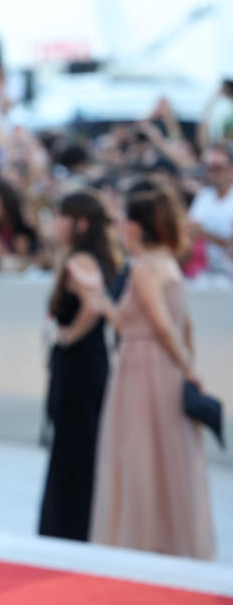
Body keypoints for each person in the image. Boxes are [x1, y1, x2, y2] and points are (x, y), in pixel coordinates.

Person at [75, 184, 216, 560]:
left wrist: (100, 301)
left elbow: (160, 325)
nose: (119, 226)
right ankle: (164, 536)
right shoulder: (168, 261)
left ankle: (143, 538)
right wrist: (187, 365)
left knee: (138, 454)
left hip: (144, 368)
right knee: (162, 456)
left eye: (123, 220)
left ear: (136, 227)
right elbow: (181, 326)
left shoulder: (142, 269)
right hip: (160, 366)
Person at [38, 190, 119, 541]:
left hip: (79, 368)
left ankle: (67, 527)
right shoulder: (97, 256)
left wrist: (68, 335)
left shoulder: (81, 261)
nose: (56, 223)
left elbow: (94, 305)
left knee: (73, 446)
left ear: (81, 223)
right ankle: (75, 525)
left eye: (62, 216)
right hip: (89, 366)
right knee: (80, 446)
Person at [188, 142, 233, 278]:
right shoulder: (204, 196)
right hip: (206, 273)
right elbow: (190, 231)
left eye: (218, 168)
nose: (213, 173)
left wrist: (204, 234)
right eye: (209, 168)